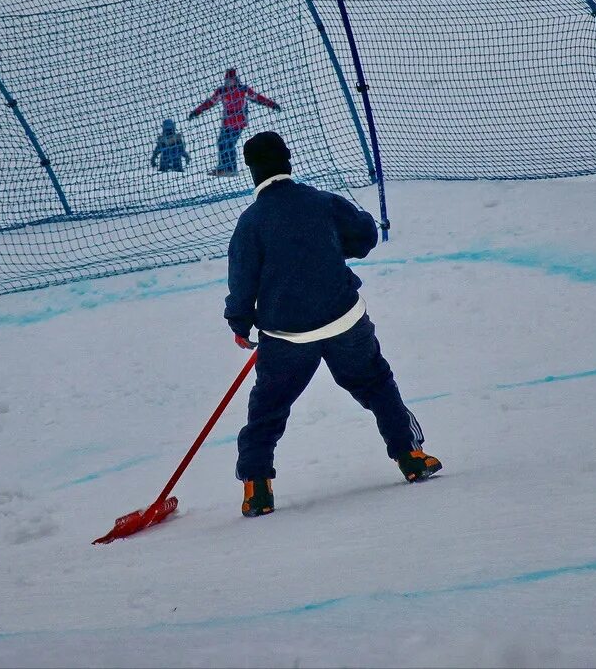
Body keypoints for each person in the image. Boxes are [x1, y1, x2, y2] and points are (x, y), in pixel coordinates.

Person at [225, 131, 442, 518]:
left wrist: (240, 322)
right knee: (375, 383)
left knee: (268, 408)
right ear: (289, 161)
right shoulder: (322, 201)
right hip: (345, 322)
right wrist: (327, 247)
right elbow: (364, 236)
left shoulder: (251, 223)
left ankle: (257, 488)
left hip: (287, 336)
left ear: (251, 172)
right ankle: (411, 455)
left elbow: (242, 279)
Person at [188, 68, 279, 177]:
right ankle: (222, 168)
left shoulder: (243, 90)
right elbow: (209, 103)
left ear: (235, 79)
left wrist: (272, 104)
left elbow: (258, 98)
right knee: (221, 142)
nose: (229, 82)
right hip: (226, 123)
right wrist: (196, 112)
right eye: (227, 80)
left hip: (239, 122)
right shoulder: (222, 91)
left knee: (229, 144)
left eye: (231, 80)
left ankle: (231, 169)